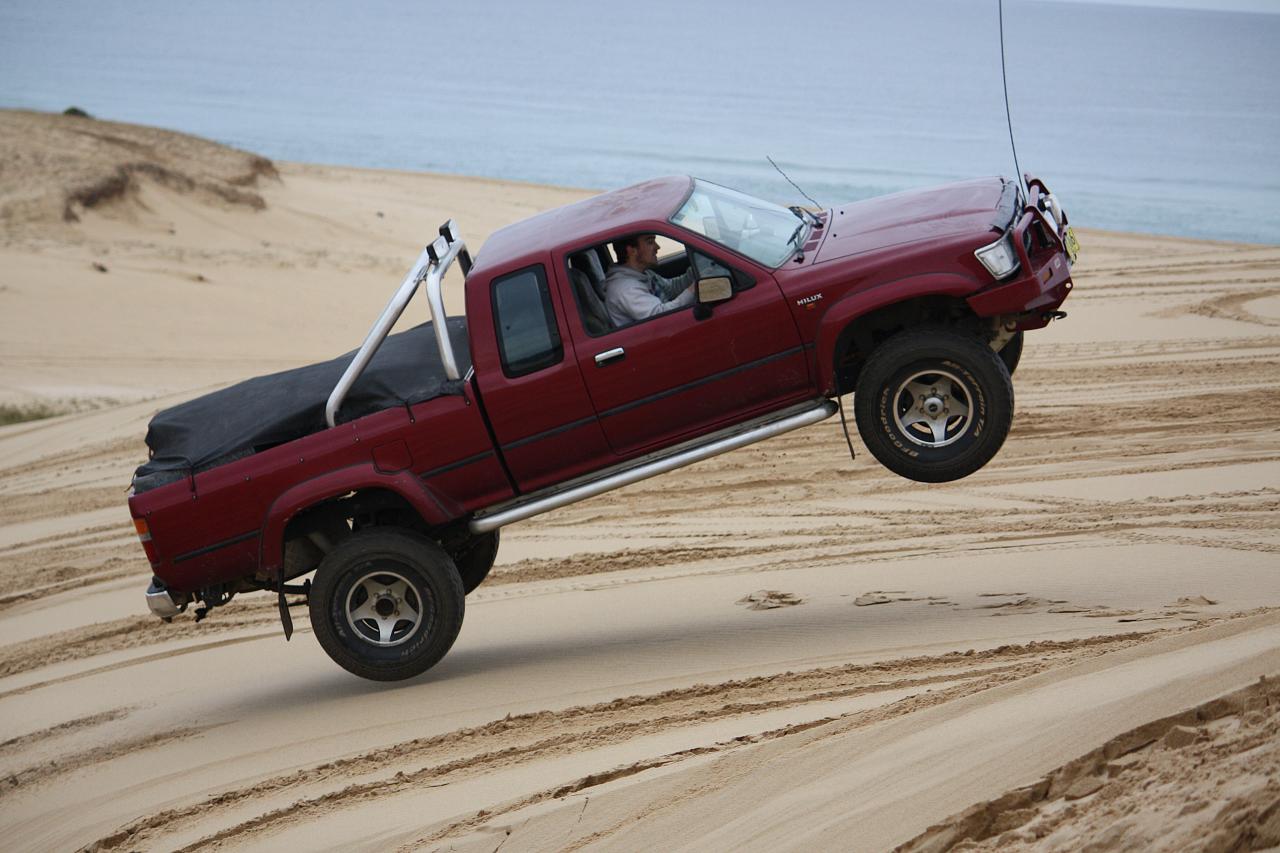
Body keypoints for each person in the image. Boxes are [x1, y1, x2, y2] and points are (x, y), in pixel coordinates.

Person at [603, 234, 696, 326]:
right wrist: (696, 287)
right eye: (650, 242)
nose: (657, 247)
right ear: (632, 251)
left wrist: (695, 272)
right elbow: (662, 316)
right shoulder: (625, 289)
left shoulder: (643, 274)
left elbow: (671, 288)